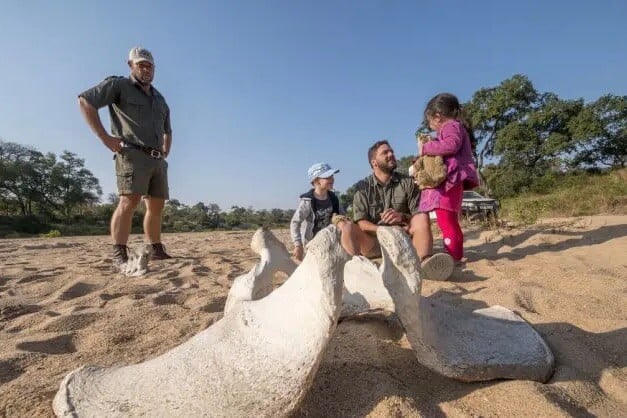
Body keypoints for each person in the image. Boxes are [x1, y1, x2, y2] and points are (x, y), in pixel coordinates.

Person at [78, 47, 173, 265]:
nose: (146, 69)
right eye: (141, 64)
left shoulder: (159, 98)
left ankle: (155, 247)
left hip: (157, 158)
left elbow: (169, 128)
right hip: (132, 153)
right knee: (129, 201)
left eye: (149, 65)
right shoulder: (118, 85)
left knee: (156, 206)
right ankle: (119, 250)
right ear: (130, 65)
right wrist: (105, 137)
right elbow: (85, 101)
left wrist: (166, 150)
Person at [352, 140, 454, 281]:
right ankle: (356, 270)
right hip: (375, 242)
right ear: (374, 162)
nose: (391, 154)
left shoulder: (408, 182)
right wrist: (383, 231)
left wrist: (401, 217)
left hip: (405, 240)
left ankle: (424, 263)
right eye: (385, 152)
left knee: (422, 217)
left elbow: (417, 214)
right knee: (347, 227)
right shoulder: (362, 187)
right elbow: (361, 223)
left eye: (391, 151)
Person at [418, 93, 479, 262]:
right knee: (451, 220)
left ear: (437, 116)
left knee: (446, 221)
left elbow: (451, 145)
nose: (431, 126)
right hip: (455, 180)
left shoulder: (450, 126)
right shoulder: (457, 126)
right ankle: (456, 254)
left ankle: (452, 257)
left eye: (430, 122)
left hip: (450, 181)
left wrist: (427, 147)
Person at [290, 162, 360, 261]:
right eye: (328, 177)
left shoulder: (333, 198)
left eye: (332, 176)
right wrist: (298, 245)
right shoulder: (307, 202)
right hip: (312, 245)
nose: (332, 179)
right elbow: (295, 223)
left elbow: (342, 217)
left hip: (331, 242)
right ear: (316, 181)